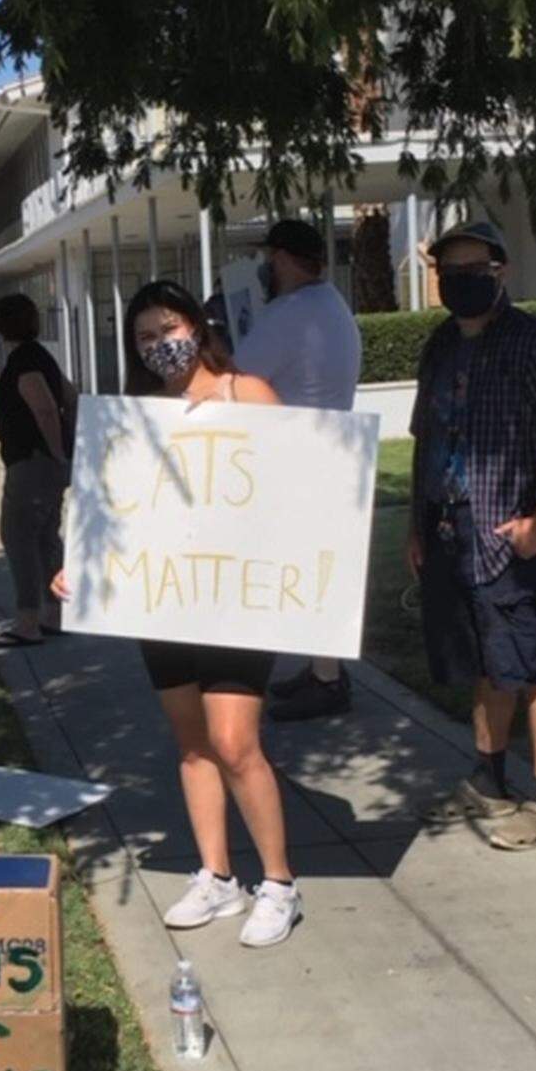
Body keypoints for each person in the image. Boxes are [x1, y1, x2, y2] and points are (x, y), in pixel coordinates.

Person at [53, 279, 302, 948]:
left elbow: (298, 491)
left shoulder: (249, 395)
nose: (160, 345)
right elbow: (109, 508)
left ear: (195, 324)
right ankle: (217, 875)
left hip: (235, 598)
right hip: (163, 600)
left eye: (167, 329)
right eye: (144, 338)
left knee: (234, 743)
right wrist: (79, 561)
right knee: (192, 744)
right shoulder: (140, 414)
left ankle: (278, 884)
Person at [408, 220, 536, 850]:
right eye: (449, 272)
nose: (461, 281)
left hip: (513, 532)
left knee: (534, 662)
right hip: (450, 528)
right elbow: (424, 440)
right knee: (487, 661)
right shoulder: (438, 346)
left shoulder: (535, 343)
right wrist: (416, 526)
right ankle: (488, 776)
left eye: (474, 270)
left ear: (501, 270)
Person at [235, 218, 363, 721]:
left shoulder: (288, 314)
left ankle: (327, 682)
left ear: (285, 259)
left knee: (306, 575)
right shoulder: (331, 305)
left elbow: (238, 377)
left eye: (270, 258)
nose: (266, 268)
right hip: (329, 453)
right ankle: (321, 669)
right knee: (317, 567)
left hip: (298, 460)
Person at [0, 293, 77, 648]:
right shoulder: (41, 357)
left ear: (2, 324)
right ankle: (54, 613)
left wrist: (56, 453)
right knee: (45, 537)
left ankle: (27, 620)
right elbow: (70, 397)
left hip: (31, 465)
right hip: (45, 467)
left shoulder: (24, 363)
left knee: (18, 536)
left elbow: (46, 410)